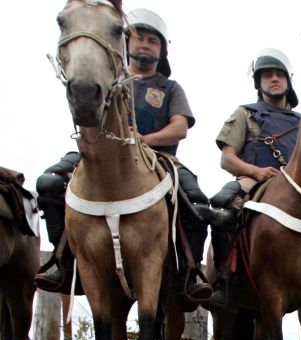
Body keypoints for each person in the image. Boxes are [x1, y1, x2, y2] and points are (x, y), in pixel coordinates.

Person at [35, 8, 213, 301]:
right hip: (99, 154)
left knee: (197, 202)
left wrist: (143, 138)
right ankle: (63, 261)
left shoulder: (169, 88)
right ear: (125, 43)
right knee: (49, 184)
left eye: (153, 41)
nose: (144, 43)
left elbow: (179, 128)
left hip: (159, 158)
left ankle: (190, 272)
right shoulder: (106, 78)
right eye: (138, 37)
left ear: (162, 51)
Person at [195, 48, 301, 308]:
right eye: (267, 76)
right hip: (254, 180)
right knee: (223, 205)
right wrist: (255, 172)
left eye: (279, 75)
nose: (274, 79)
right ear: (258, 82)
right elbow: (227, 159)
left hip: (298, 187)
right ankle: (222, 279)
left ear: (288, 81)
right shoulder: (245, 113)